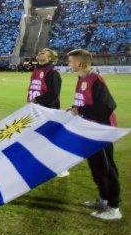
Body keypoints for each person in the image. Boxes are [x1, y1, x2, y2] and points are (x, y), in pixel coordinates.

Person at [67, 49, 122, 221]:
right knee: (96, 166)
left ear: (79, 63)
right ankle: (104, 199)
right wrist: (75, 108)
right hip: (89, 130)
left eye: (70, 61)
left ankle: (114, 207)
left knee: (107, 168)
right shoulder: (81, 79)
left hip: (101, 131)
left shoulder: (95, 80)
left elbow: (108, 107)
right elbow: (86, 103)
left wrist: (81, 110)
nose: (68, 64)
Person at [27, 48, 69, 177]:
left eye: (44, 53)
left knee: (52, 138)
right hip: (35, 110)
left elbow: (54, 93)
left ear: (50, 58)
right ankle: (43, 163)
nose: (40, 53)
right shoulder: (36, 70)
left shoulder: (52, 73)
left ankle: (62, 167)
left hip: (47, 110)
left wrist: (37, 100)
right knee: (37, 138)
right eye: (40, 52)